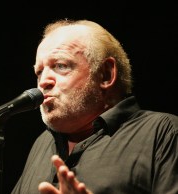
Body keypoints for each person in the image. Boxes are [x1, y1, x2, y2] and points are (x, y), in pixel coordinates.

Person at [11, 19, 178, 194]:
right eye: (39, 72)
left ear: (105, 74)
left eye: (60, 66)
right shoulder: (42, 143)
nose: (43, 82)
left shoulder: (164, 132)